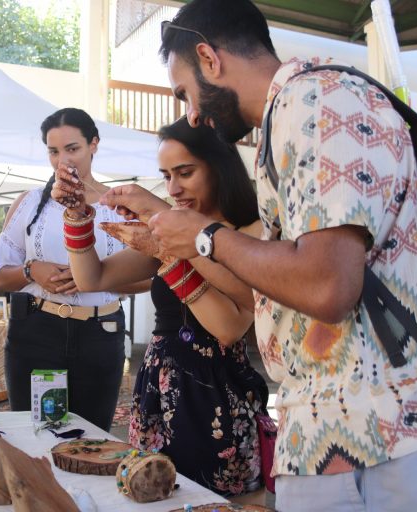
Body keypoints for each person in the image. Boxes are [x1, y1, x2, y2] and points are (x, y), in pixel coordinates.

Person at [120, 1, 417, 510]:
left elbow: (327, 286)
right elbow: (276, 292)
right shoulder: (290, 116)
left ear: (209, 59)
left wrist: (205, 237)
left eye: (185, 93)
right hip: (330, 439)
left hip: (386, 438)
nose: (191, 113)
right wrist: (182, 246)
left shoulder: (321, 102)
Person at [52, 117, 269, 497]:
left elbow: (229, 327)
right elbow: (92, 279)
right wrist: (77, 217)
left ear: (218, 167)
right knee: (152, 498)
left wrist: (163, 236)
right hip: (158, 391)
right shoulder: (167, 231)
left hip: (218, 399)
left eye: (184, 173)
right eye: (166, 176)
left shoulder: (251, 234)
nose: (173, 188)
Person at [0, 107, 147, 432]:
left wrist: (96, 278)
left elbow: (147, 278)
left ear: (94, 145)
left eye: (72, 148)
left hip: (100, 334)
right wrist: (33, 271)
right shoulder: (30, 204)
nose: (64, 160)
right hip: (37, 332)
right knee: (39, 437)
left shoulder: (121, 206)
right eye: (54, 151)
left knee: (91, 438)